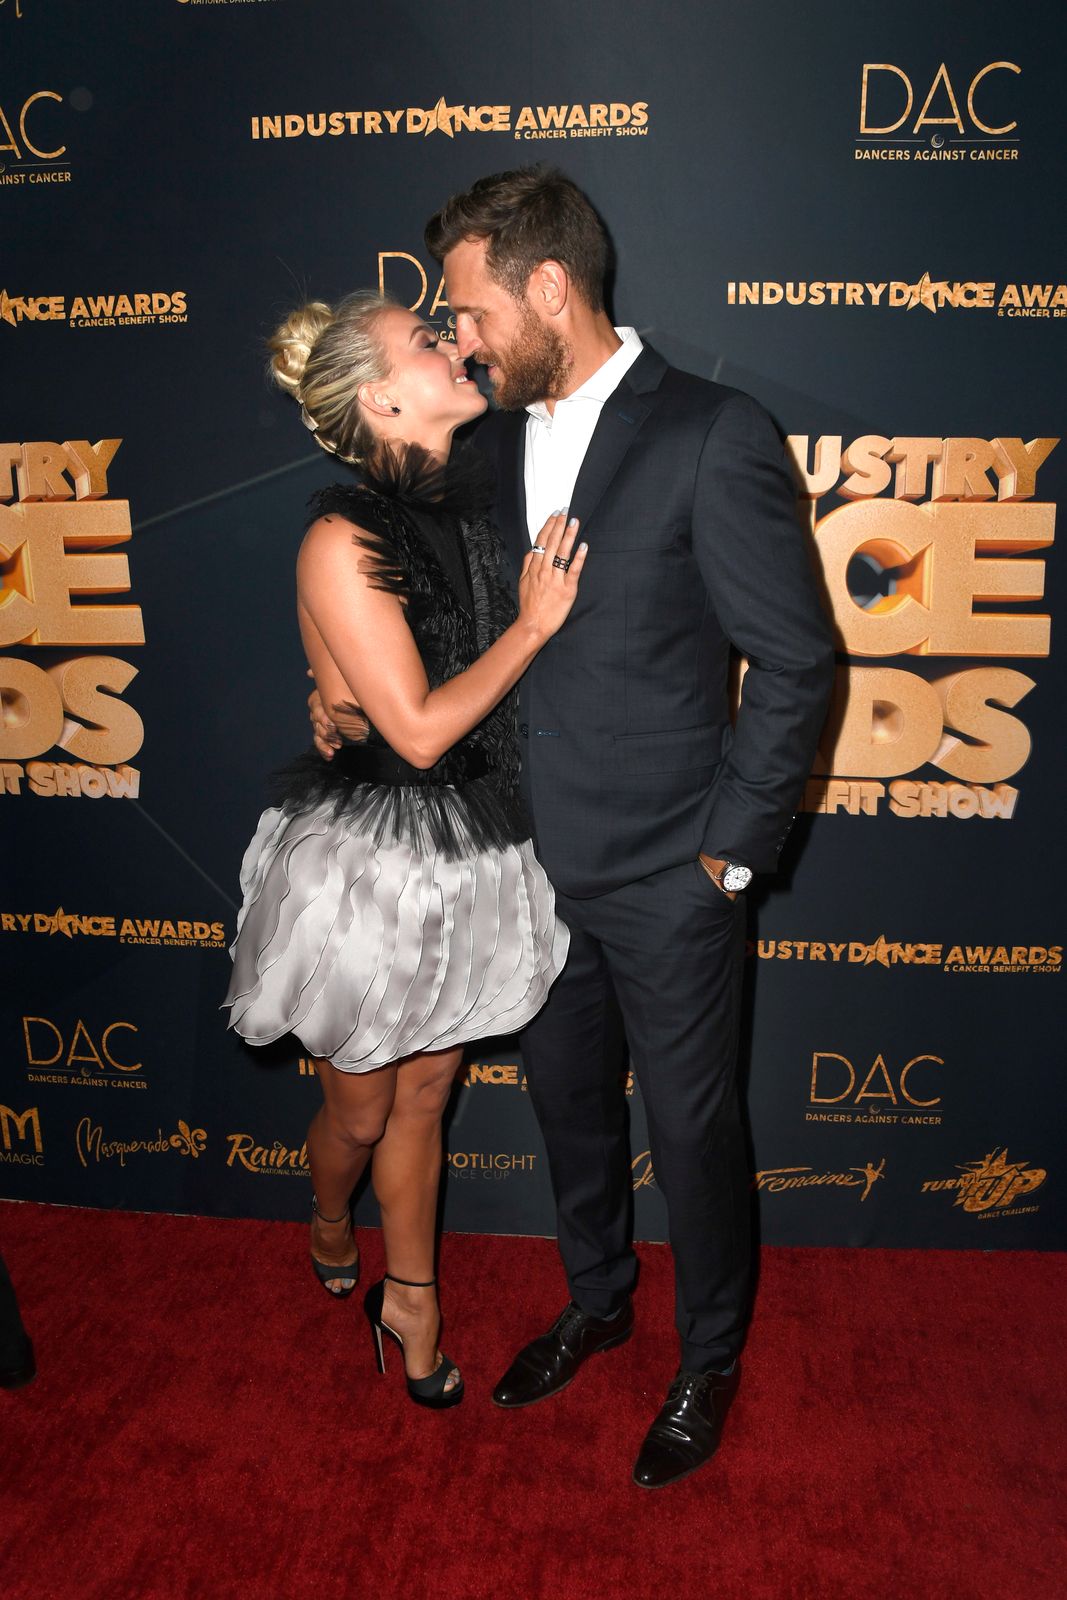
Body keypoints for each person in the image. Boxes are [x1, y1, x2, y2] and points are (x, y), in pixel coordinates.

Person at [314, 167, 834, 1483]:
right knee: (567, 1116)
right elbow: (392, 590)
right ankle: (598, 1301)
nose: (460, 335)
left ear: (549, 289)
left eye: (471, 307)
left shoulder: (711, 431)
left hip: (671, 875)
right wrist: (328, 681)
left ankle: (705, 1354)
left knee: (692, 1131)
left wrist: (728, 852)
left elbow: (796, 663)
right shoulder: (479, 447)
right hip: (522, 876)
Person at [224, 290, 583, 1409]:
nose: (451, 344)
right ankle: (330, 1210)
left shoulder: (480, 497)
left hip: (472, 845)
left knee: (428, 1087)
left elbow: (387, 699)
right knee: (362, 1108)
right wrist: (531, 625)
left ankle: (411, 1297)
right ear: (382, 396)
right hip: (370, 861)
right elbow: (419, 731)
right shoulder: (339, 534)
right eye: (426, 343)